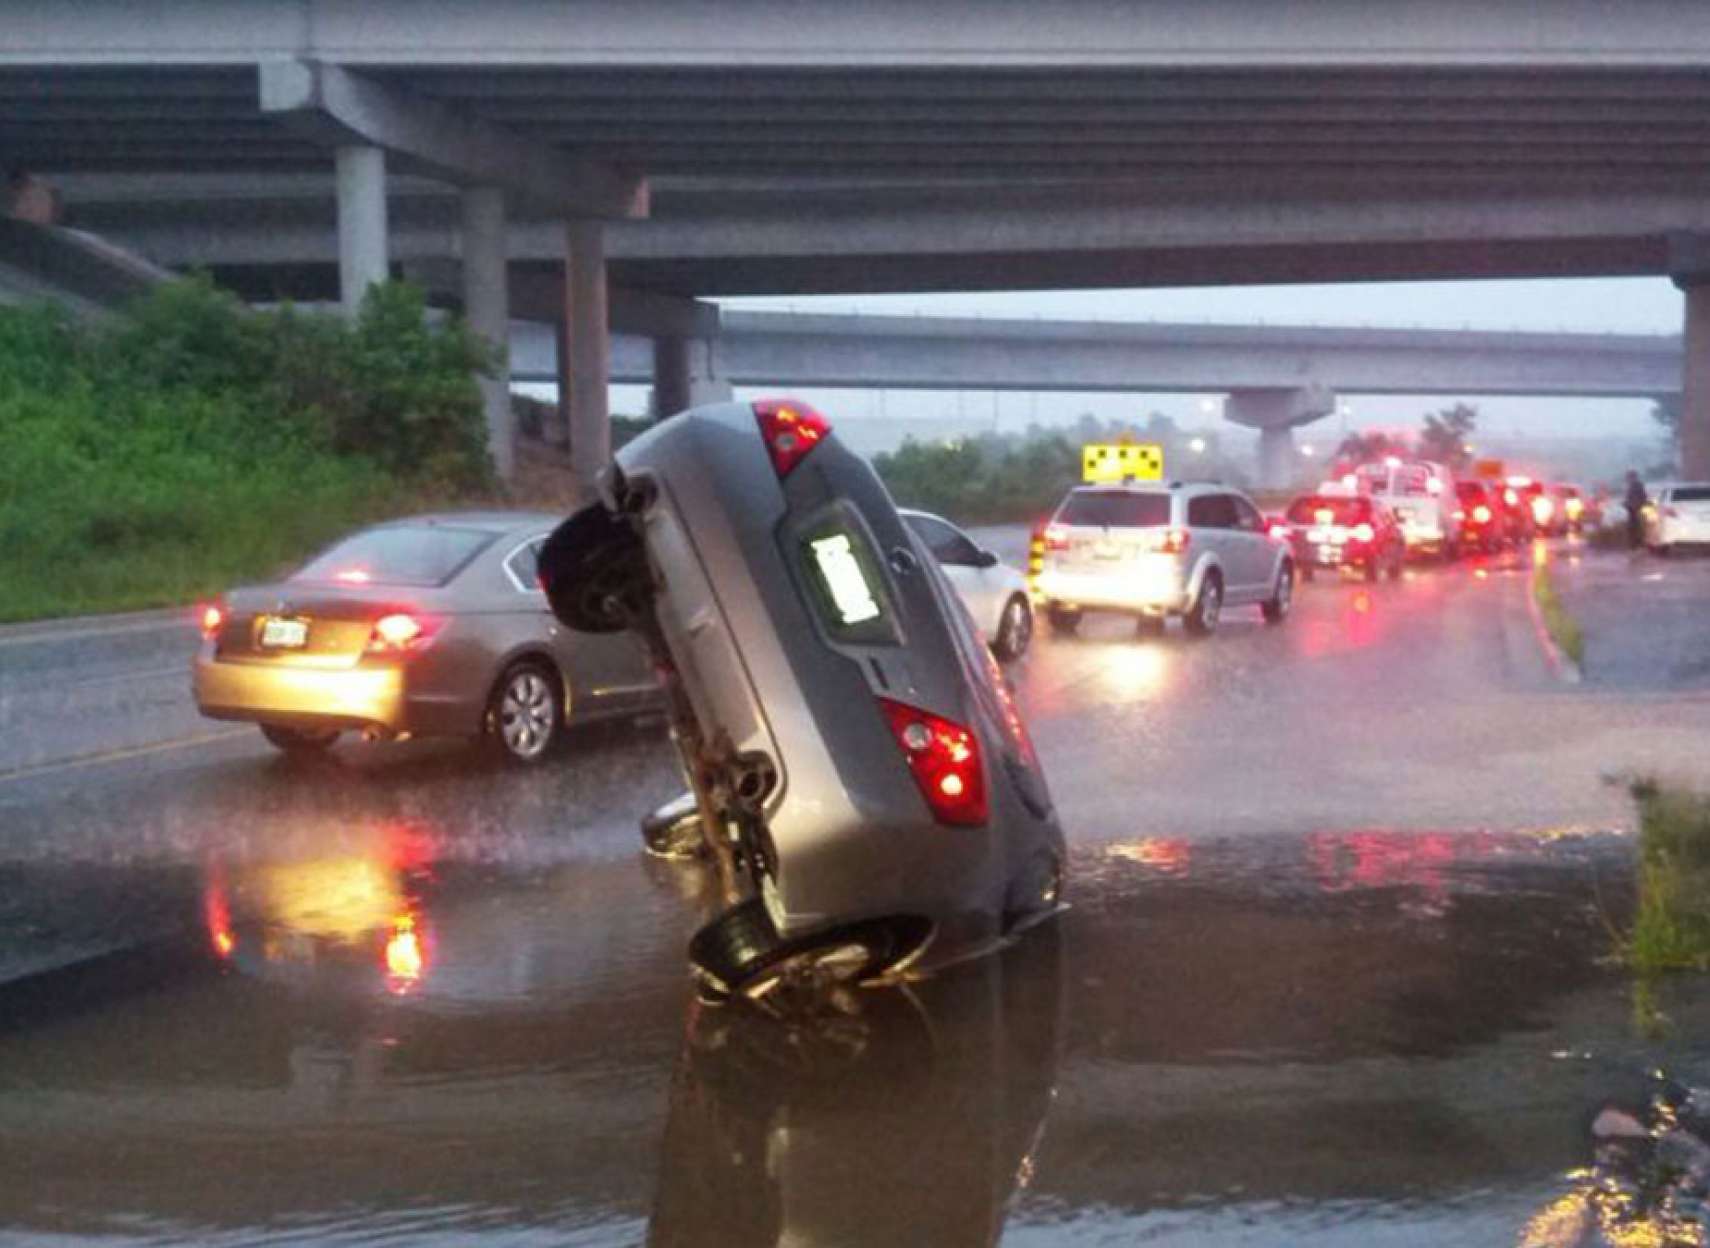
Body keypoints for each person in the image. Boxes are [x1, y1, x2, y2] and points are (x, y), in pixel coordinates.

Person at [1624, 470, 1649, 551]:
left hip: (1637, 509)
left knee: (1637, 527)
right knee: (1632, 528)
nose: (1628, 479)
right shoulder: (1631, 486)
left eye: (1629, 477)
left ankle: (1638, 544)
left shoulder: (1637, 485)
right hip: (1631, 509)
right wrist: (1626, 503)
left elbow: (1643, 496)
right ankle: (1634, 545)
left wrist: (1637, 504)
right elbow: (1630, 498)